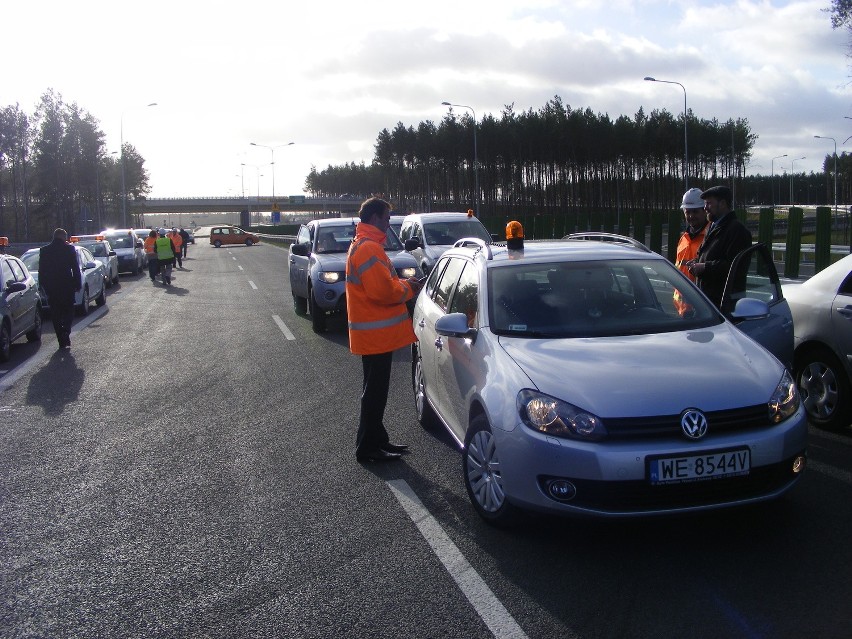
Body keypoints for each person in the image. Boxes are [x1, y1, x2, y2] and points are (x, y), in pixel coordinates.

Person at [346, 197, 423, 463]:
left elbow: (384, 283)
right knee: (374, 394)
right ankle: (368, 448)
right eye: (388, 218)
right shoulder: (368, 249)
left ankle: (377, 440)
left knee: (375, 392)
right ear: (376, 218)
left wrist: (403, 282)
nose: (390, 223)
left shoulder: (365, 245)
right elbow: (383, 291)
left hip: (373, 335)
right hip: (375, 336)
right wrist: (411, 287)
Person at [687, 185, 753, 310]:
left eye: (708, 203)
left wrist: (705, 267)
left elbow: (735, 266)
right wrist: (697, 262)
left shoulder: (737, 231)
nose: (705, 208)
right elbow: (713, 256)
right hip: (709, 303)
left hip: (725, 306)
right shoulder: (714, 227)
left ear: (722, 203)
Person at [38, 228, 81, 349]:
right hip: (67, 285)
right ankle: (66, 331)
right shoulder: (69, 249)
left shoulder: (45, 250)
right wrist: (77, 284)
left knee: (55, 313)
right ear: (63, 237)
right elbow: (75, 268)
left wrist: (42, 286)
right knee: (69, 310)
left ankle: (60, 339)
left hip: (52, 287)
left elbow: (41, 271)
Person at [673, 187, 709, 316]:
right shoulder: (684, 238)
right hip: (682, 308)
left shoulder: (710, 238)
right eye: (687, 212)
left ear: (704, 211)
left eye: (695, 212)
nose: (691, 216)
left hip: (701, 308)